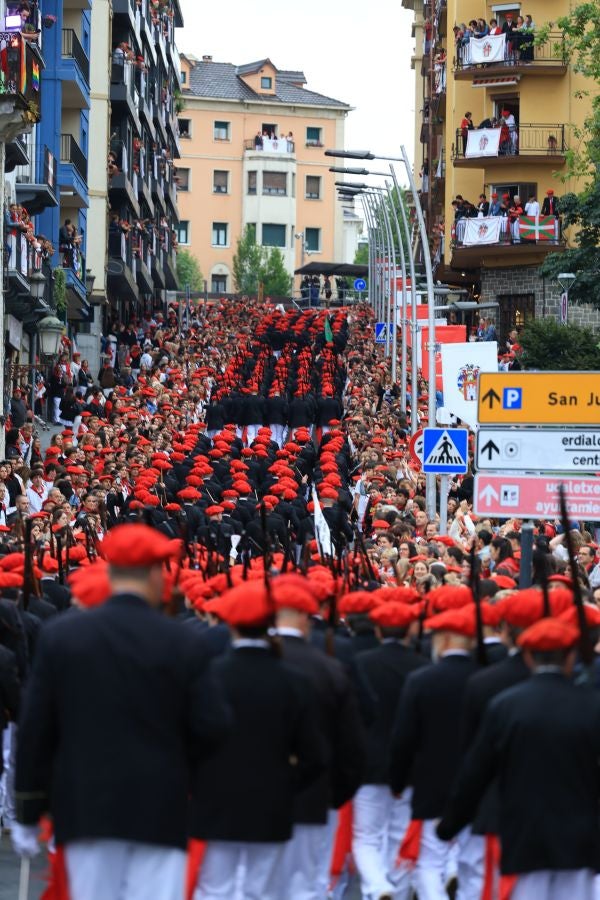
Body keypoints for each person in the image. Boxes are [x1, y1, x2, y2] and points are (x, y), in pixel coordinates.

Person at [13, 523, 231, 900]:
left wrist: (29, 808)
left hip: (86, 805)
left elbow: (37, 728)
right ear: (155, 574)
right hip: (161, 805)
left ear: (111, 572)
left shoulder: (64, 636)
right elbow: (212, 726)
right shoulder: (183, 641)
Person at [438, 617, 600, 900]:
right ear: (570, 656)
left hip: (525, 833)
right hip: (581, 835)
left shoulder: (506, 706)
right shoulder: (592, 705)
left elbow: (476, 771)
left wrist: (451, 823)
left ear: (528, 656)